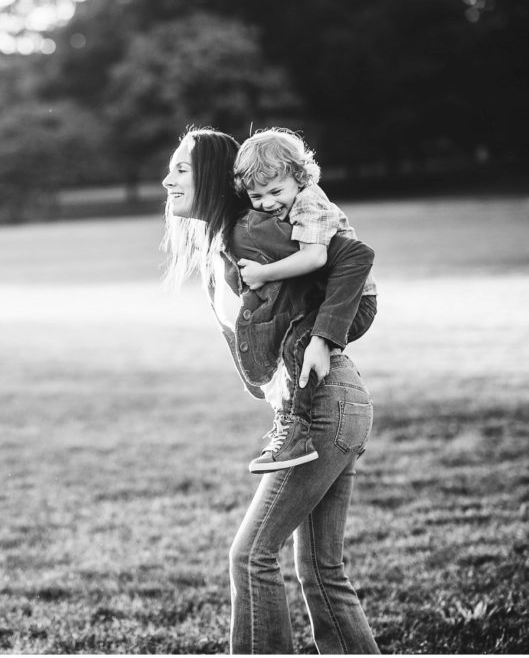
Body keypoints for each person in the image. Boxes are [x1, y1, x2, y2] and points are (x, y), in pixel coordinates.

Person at [162, 127, 380, 653]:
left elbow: (353, 257)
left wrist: (324, 337)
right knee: (322, 573)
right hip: (329, 403)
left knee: (251, 555)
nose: (167, 179)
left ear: (211, 178)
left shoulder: (261, 231)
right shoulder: (232, 241)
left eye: (181, 169)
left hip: (326, 403)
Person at [233, 128, 378, 472]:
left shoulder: (310, 202)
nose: (267, 203)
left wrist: (261, 274)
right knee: (291, 345)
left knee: (299, 346)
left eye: (275, 191)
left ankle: (297, 433)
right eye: (256, 197)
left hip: (355, 302)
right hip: (327, 299)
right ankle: (291, 423)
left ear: (299, 177)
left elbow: (314, 258)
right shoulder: (286, 203)